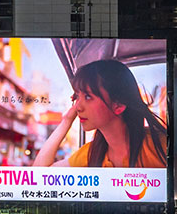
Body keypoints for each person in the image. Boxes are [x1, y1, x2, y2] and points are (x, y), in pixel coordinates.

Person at [34, 59, 165, 168]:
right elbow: (40, 176)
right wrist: (66, 121)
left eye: (88, 96)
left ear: (118, 105)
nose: (78, 107)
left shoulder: (161, 147)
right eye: (77, 96)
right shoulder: (91, 154)